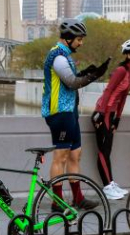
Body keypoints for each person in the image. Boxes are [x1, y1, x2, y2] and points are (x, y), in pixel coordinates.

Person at [41, 19, 110, 211]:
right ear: (69, 38)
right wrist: (93, 76)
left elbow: (71, 79)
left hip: (69, 111)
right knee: (60, 157)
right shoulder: (58, 56)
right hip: (59, 112)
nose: (81, 43)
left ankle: (78, 198)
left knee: (75, 155)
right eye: (79, 39)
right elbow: (71, 82)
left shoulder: (66, 56)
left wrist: (87, 72)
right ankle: (57, 202)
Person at [91, 38, 130, 200]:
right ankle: (107, 187)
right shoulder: (121, 70)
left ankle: (111, 183)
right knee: (103, 152)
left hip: (111, 114)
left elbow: (122, 98)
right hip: (103, 112)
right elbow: (108, 91)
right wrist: (100, 113)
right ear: (129, 55)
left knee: (107, 151)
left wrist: (118, 119)